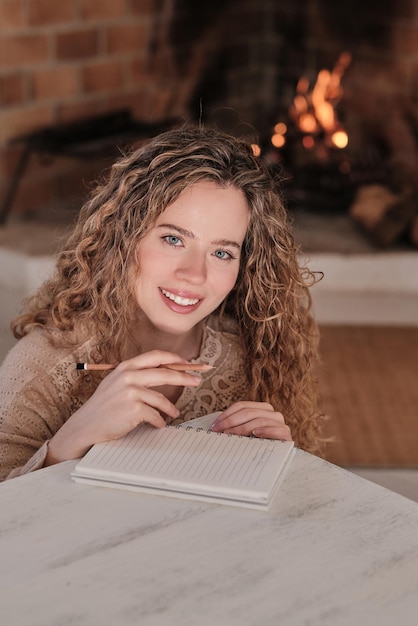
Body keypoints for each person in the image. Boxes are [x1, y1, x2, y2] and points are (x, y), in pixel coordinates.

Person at [0, 123, 323, 482]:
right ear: (123, 237)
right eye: (173, 239)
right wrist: (70, 441)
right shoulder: (43, 365)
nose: (195, 274)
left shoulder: (249, 358)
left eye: (221, 252)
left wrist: (278, 465)